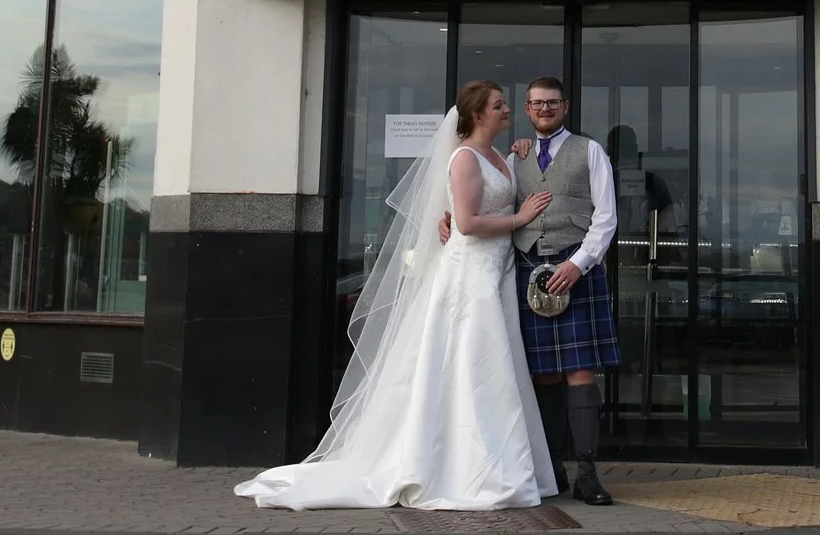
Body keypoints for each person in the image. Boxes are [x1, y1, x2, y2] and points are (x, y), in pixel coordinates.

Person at [234, 81, 557, 511]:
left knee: (492, 366)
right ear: (478, 114)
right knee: (475, 365)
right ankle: (465, 467)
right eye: (499, 106)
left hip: (495, 273)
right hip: (470, 276)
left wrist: (518, 159)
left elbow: (484, 199)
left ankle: (502, 464)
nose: (508, 110)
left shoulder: (499, 155)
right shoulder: (463, 158)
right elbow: (465, 222)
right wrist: (520, 216)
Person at [507, 76, 622, 507]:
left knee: (580, 372)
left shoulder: (590, 151)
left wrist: (579, 264)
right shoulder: (514, 155)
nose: (544, 109)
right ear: (526, 108)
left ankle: (588, 475)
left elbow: (606, 218)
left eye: (552, 103)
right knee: (543, 375)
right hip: (527, 266)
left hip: (577, 266)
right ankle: (550, 469)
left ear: (566, 106)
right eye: (536, 103)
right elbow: (496, 206)